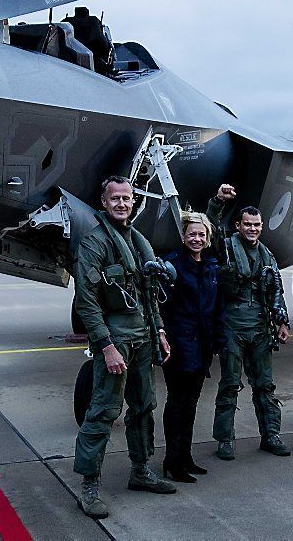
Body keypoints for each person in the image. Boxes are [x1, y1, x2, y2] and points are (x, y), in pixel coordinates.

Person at [72, 175, 176, 519]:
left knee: (144, 406)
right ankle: (89, 485)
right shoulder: (94, 242)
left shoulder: (137, 240)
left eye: (127, 199)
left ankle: (141, 470)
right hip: (115, 336)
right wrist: (105, 346)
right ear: (104, 202)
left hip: (143, 336)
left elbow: (148, 291)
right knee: (103, 410)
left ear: (133, 202)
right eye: (115, 198)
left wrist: (159, 329)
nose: (121, 204)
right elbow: (87, 302)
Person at [207, 183, 292, 460]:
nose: (252, 229)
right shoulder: (226, 248)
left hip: (259, 327)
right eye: (247, 224)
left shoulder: (267, 255)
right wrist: (218, 202)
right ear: (238, 225)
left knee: (265, 385)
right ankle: (225, 439)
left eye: (256, 225)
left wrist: (282, 322)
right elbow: (212, 227)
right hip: (232, 325)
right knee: (230, 384)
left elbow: (276, 291)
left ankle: (271, 434)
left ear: (262, 226)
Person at [159, 210, 226, 482]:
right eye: (192, 234)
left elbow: (216, 307)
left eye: (201, 234)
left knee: (191, 402)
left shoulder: (211, 266)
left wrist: (218, 341)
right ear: (183, 236)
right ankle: (172, 460)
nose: (197, 239)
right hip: (179, 343)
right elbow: (162, 304)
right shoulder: (172, 265)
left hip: (202, 346)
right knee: (177, 402)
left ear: (208, 237)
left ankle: (185, 457)